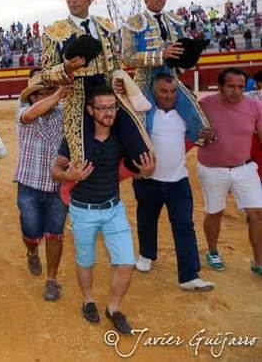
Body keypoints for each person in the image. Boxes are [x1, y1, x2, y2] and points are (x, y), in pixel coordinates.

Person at [52, 85, 155, 334]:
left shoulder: (121, 137)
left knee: (126, 262)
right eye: (102, 108)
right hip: (82, 210)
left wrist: (145, 173)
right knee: (85, 260)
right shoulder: (75, 137)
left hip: (113, 208)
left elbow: (133, 167)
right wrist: (69, 173)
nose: (109, 112)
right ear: (90, 110)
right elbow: (55, 171)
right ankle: (88, 299)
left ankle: (113, 308)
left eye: (112, 107)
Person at [41, 0, 151, 173]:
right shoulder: (53, 32)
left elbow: (116, 63)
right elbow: (46, 75)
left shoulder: (105, 25)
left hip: (109, 95)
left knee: (141, 155)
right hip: (77, 98)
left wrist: (118, 80)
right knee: (84, 163)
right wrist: (66, 68)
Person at [133, 73, 215, 291]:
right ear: (153, 92)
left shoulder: (184, 116)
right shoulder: (144, 115)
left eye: (173, 91)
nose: (169, 96)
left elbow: (202, 136)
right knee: (146, 220)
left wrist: (211, 135)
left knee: (185, 226)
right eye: (163, 91)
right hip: (148, 180)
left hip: (178, 181)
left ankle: (189, 275)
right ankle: (146, 254)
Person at [121, 0, 210, 145]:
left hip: (170, 76)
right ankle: (143, 165)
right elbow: (127, 57)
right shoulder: (133, 23)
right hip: (145, 79)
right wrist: (162, 55)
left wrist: (190, 52)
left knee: (198, 119)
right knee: (142, 124)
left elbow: (181, 49)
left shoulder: (174, 20)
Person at [197, 68, 262, 276]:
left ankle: (259, 261)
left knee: (257, 214)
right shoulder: (205, 105)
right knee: (215, 212)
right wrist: (203, 136)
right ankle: (213, 251)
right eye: (231, 86)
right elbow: (192, 134)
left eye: (241, 87)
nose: (236, 91)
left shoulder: (255, 106)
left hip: (245, 167)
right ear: (220, 86)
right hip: (212, 168)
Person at [15, 74, 70, 300]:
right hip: (30, 185)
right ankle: (31, 251)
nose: (50, 98)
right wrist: (57, 95)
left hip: (58, 185)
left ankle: (52, 279)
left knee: (55, 233)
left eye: (51, 93)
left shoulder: (64, 114)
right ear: (33, 97)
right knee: (31, 231)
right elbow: (30, 114)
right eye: (43, 94)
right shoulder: (22, 112)